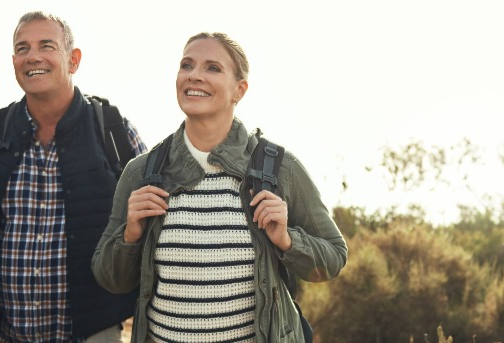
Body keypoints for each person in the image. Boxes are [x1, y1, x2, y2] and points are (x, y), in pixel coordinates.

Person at [92, 32, 348, 343]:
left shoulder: (281, 168)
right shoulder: (142, 173)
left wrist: (286, 240)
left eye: (212, 68)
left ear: (239, 90)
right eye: (187, 65)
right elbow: (110, 279)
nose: (194, 76)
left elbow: (333, 257)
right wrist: (130, 234)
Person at [0, 11, 146, 342]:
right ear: (14, 62)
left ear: (74, 60)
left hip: (95, 333)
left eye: (46, 45)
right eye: (22, 48)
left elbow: (159, 223)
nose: (33, 56)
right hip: (7, 334)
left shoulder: (114, 132)